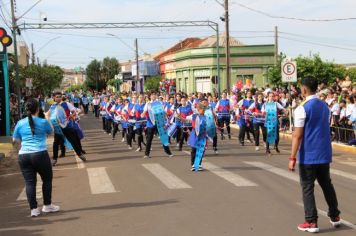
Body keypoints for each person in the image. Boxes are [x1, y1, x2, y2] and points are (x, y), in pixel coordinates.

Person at [289, 77, 341, 233]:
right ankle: (335, 215)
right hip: (324, 153)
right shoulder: (325, 106)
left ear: (304, 89)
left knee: (307, 188)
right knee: (327, 185)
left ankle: (311, 222)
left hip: (309, 155)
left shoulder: (302, 108)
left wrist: (292, 157)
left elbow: (297, 136)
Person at [13, 98, 60, 217]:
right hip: (40, 154)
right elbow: (51, 132)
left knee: (29, 183)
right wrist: (47, 117)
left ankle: (33, 209)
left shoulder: (20, 122)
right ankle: (47, 206)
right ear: (38, 109)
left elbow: (15, 140)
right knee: (47, 180)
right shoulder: (42, 122)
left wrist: (21, 149)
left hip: (23, 155)